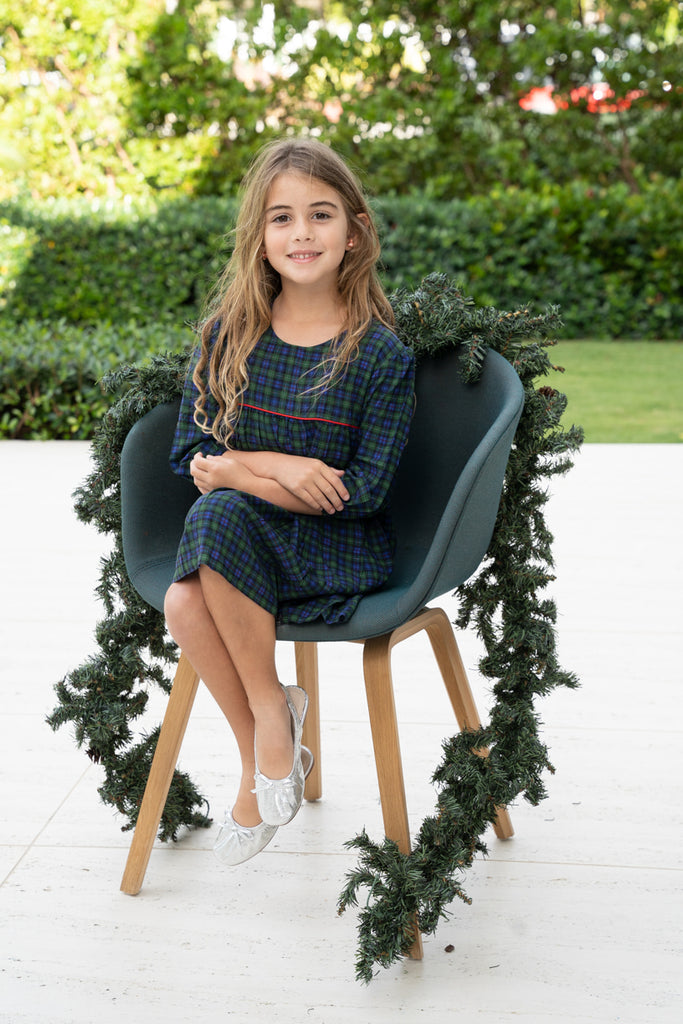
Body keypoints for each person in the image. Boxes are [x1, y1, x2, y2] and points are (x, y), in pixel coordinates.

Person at [164, 138, 415, 867]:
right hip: (242, 536)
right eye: (282, 218)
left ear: (354, 231)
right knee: (185, 592)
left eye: (320, 214)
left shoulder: (379, 355)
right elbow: (191, 456)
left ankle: (269, 731)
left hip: (338, 544)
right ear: (260, 236)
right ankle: (265, 733)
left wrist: (241, 476)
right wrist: (279, 466)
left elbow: (359, 493)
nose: (301, 233)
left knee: (211, 529)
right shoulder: (227, 337)